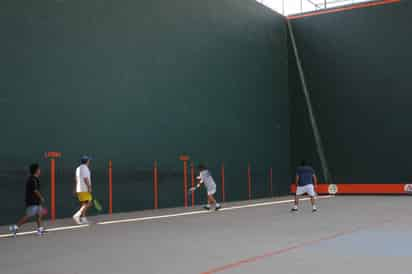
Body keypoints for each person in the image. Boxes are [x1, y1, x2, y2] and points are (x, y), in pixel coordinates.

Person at [9, 163, 45, 236]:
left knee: (39, 214)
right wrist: (41, 197)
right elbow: (35, 190)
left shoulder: (35, 179)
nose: (40, 170)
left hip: (36, 201)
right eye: (39, 169)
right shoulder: (32, 179)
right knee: (29, 215)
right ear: (36, 170)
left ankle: (40, 230)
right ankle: (15, 227)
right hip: (32, 201)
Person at [73, 156, 93, 224]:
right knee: (89, 203)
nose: (89, 162)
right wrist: (89, 187)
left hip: (79, 189)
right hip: (84, 189)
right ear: (87, 161)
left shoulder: (78, 168)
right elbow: (85, 178)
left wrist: (76, 188)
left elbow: (76, 179)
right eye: (89, 160)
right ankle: (77, 215)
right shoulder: (85, 168)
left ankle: (83, 218)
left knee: (84, 203)